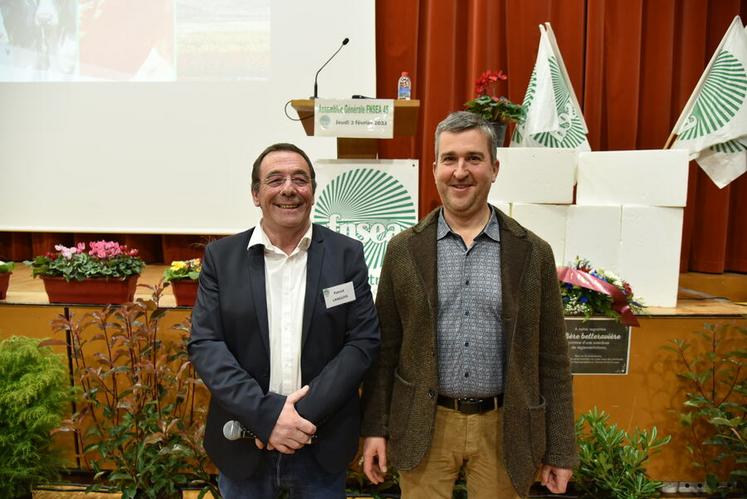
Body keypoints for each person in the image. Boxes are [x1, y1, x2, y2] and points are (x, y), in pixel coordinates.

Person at [360, 111, 578, 498]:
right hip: (425, 425)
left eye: (473, 159)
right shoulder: (403, 250)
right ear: (434, 169)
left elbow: (553, 360)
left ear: (494, 168)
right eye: (450, 159)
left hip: (505, 427)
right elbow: (385, 351)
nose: (460, 171)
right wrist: (375, 428)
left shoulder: (532, 253)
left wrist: (560, 449)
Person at [189, 142, 380, 499]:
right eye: (275, 180)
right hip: (246, 441)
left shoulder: (346, 255)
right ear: (255, 194)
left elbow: (362, 342)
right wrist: (267, 416)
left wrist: (297, 419)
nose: (289, 189)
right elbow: (206, 344)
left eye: (300, 179)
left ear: (312, 192)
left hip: (320, 441)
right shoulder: (221, 258)